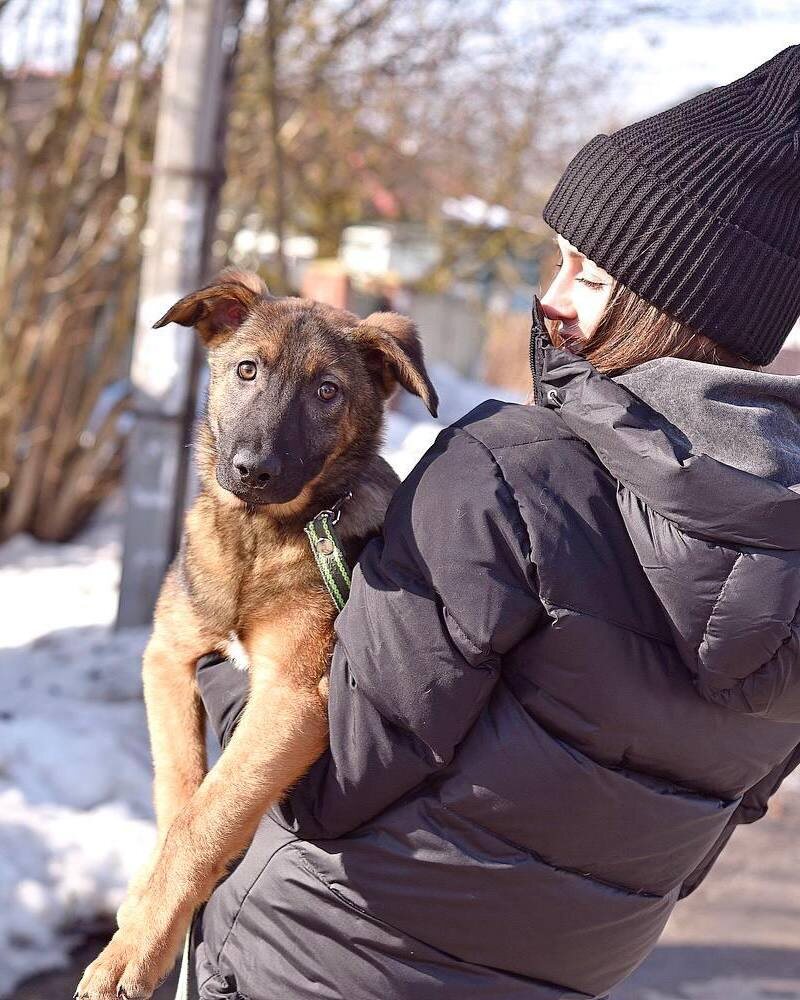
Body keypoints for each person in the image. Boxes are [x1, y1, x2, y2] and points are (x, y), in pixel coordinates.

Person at [186, 46, 800, 1000]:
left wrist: (218, 662)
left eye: (587, 274)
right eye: (558, 259)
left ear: (668, 306)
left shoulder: (508, 473)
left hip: (319, 960)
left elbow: (325, 782)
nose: (548, 297)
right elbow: (713, 829)